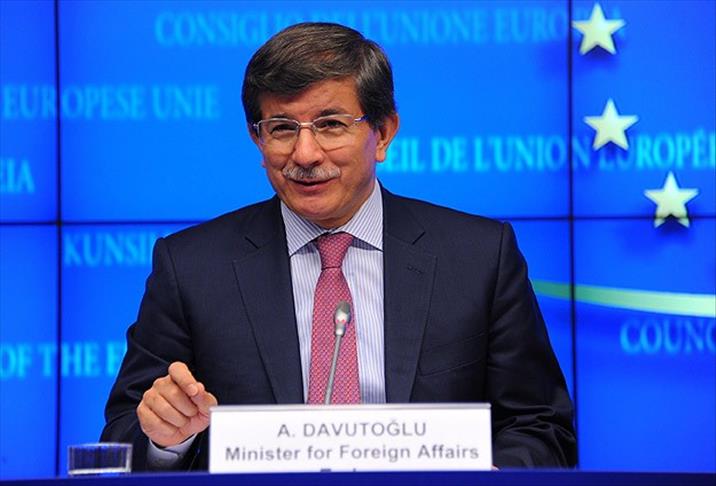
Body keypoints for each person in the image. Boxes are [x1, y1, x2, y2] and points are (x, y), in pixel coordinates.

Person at [101, 22, 576, 471]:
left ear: (383, 133)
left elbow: (541, 427)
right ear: (257, 139)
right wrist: (168, 439)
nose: (305, 154)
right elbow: (122, 437)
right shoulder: (192, 268)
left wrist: (488, 477)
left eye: (330, 124)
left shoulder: (479, 257)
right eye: (282, 128)